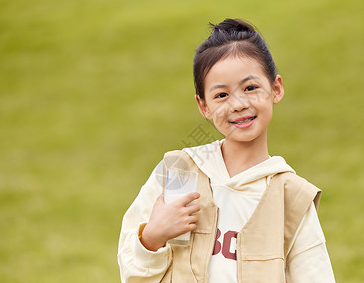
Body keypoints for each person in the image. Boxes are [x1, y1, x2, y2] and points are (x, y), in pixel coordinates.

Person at [118, 18, 335, 283]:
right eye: (221, 95)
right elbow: (131, 271)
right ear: (204, 106)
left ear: (275, 89)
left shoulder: (291, 197)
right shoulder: (181, 172)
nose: (238, 104)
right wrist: (152, 236)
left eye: (250, 88)